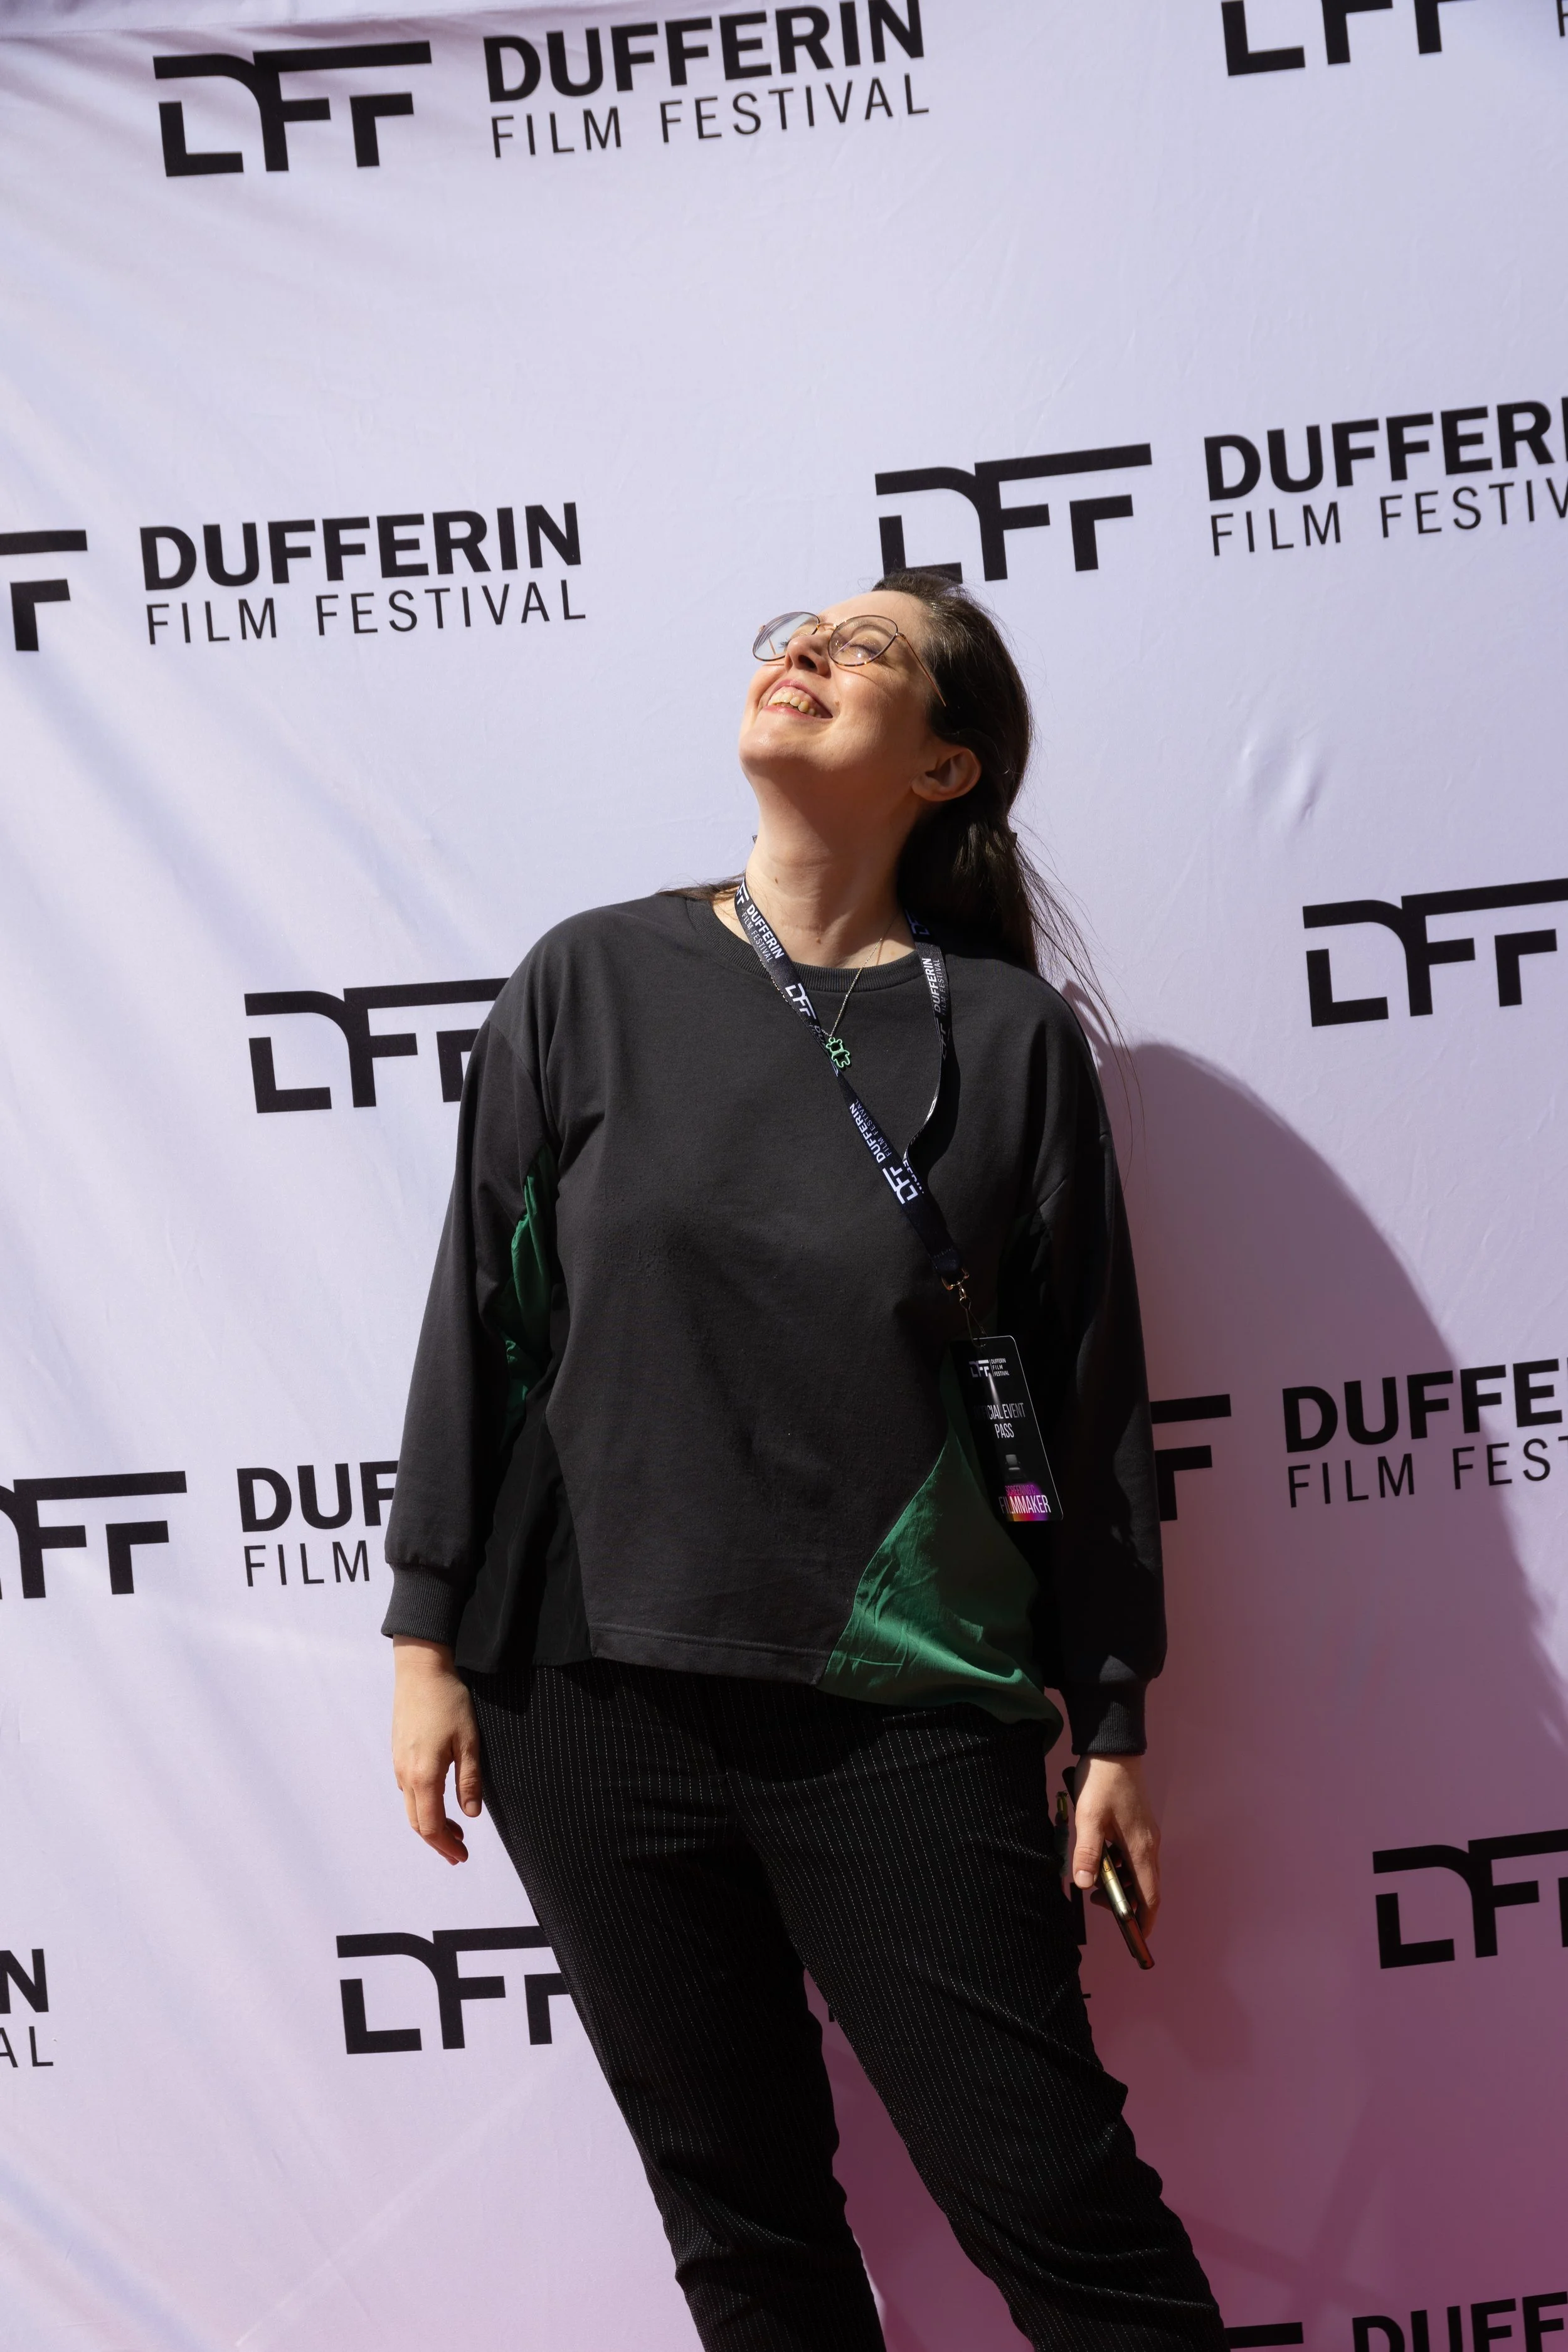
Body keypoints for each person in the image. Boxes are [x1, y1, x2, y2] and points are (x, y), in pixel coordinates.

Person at [383, 573, 1225, 2352]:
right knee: (745, 2236)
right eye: (796, 627)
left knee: (1065, 2221)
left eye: (870, 651)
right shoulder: (589, 976)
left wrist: (1116, 1716)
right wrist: (424, 1644)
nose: (807, 652)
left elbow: (1085, 1403)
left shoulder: (1004, 1039)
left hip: (900, 1712)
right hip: (583, 1703)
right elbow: (482, 1320)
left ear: (944, 768)